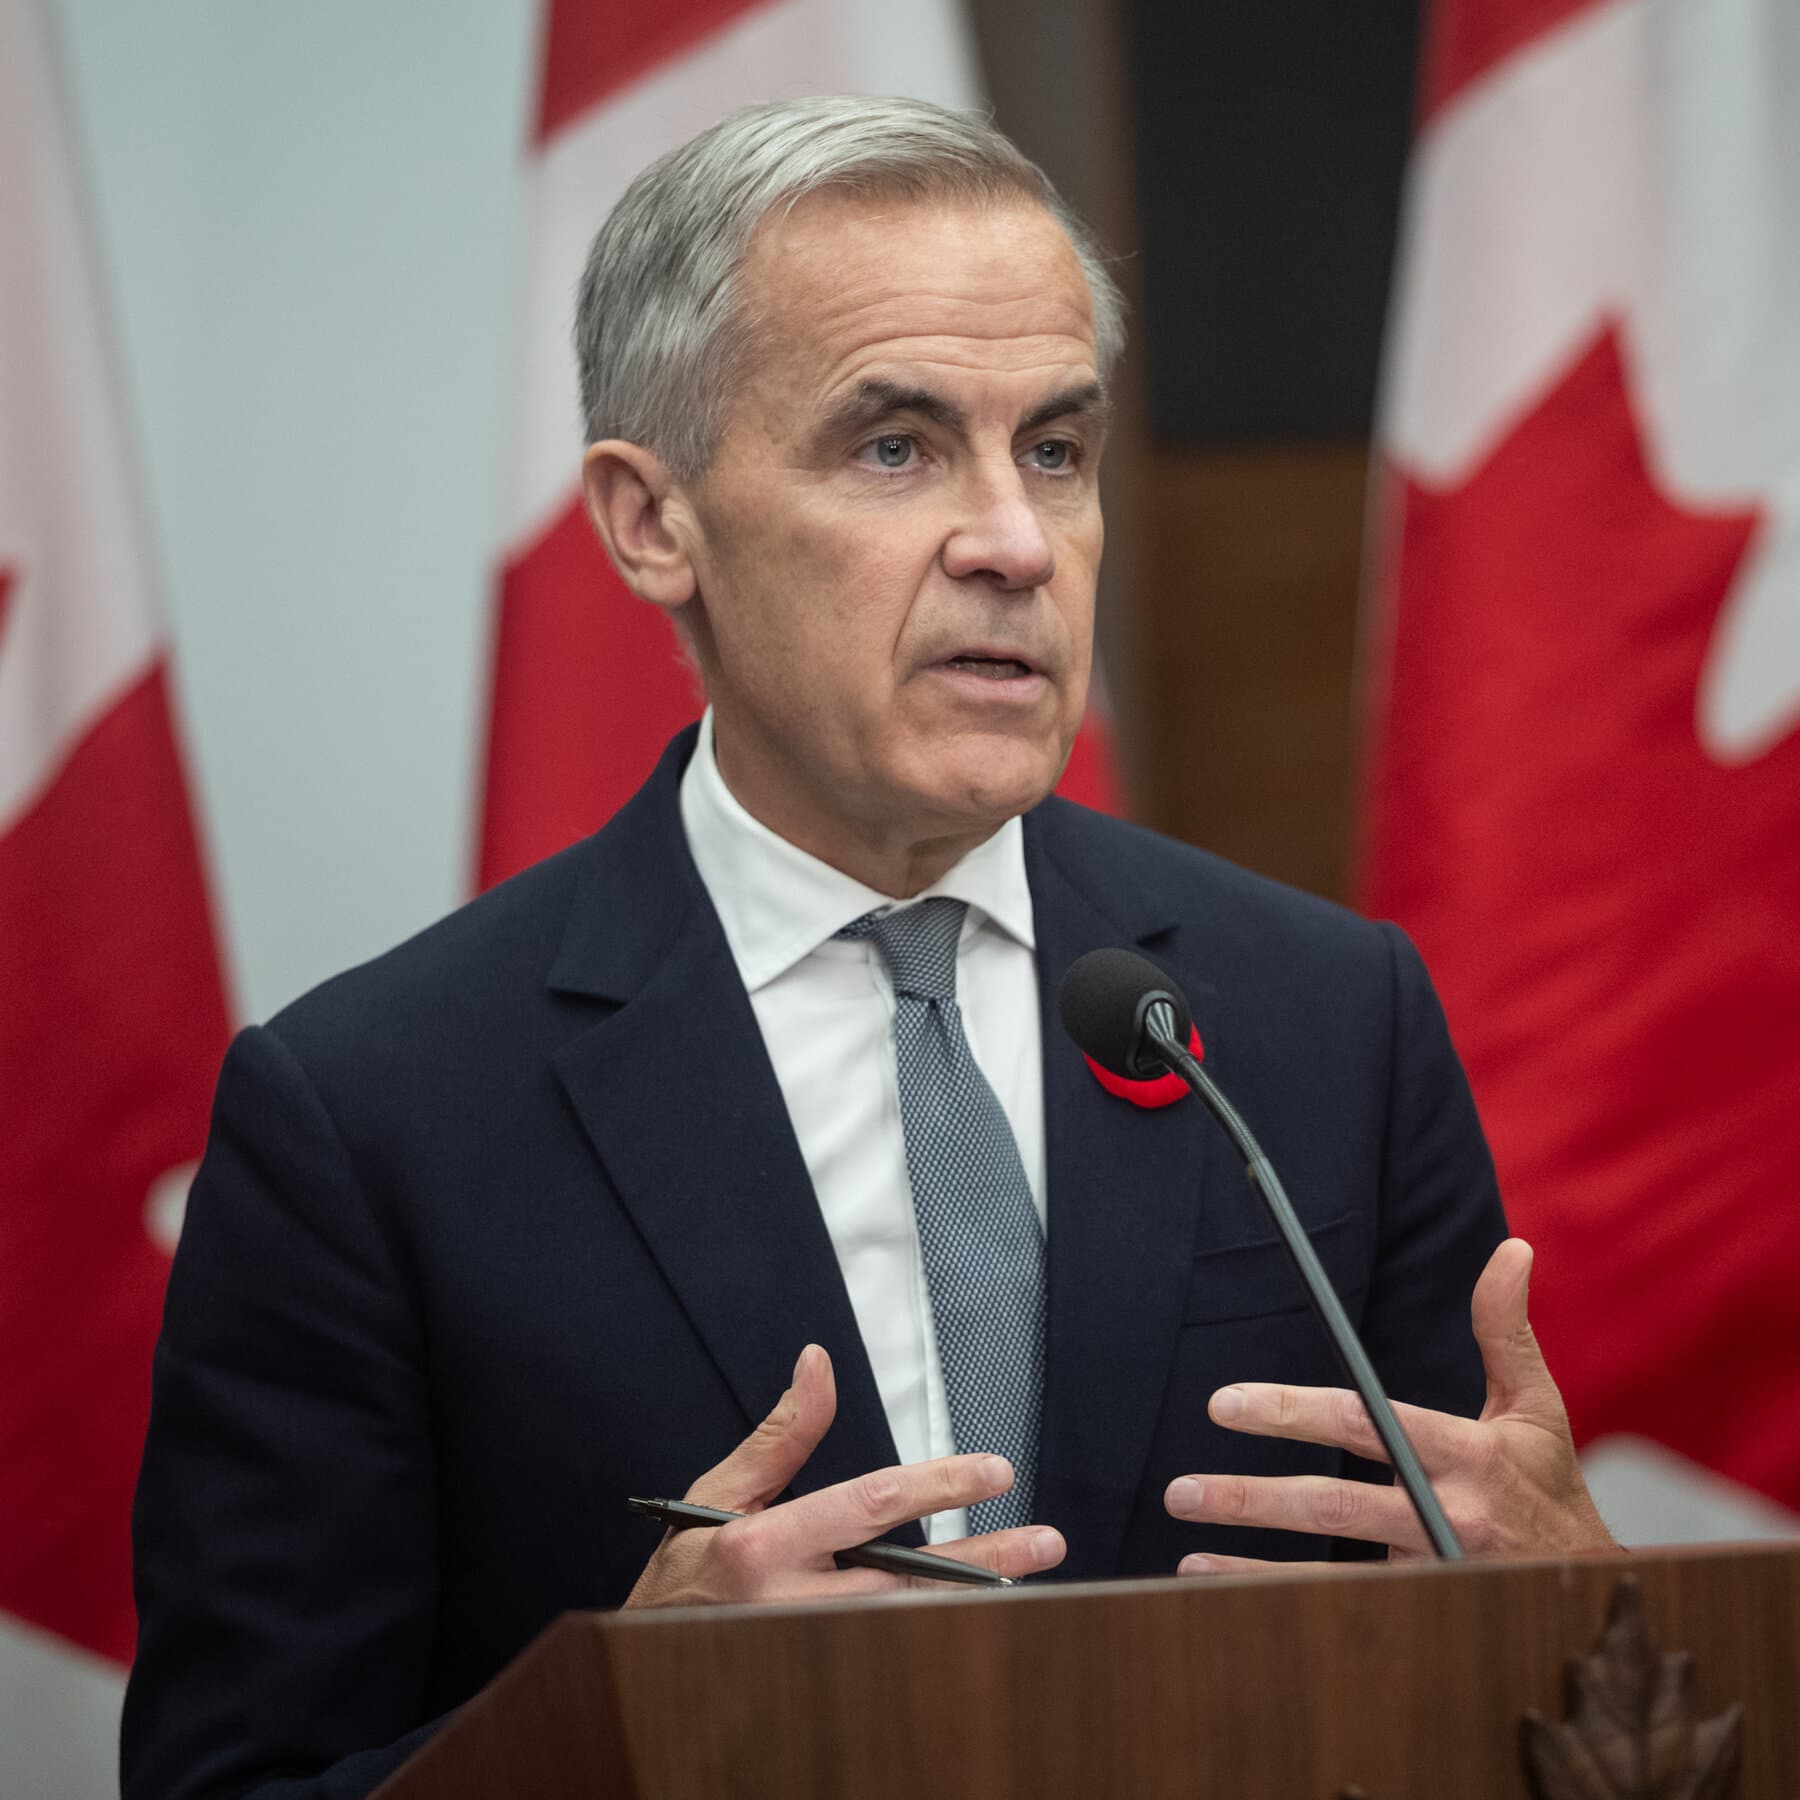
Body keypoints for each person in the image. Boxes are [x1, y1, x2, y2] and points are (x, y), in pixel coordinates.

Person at [122, 96, 1615, 1800]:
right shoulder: (372, 1119)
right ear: (649, 521)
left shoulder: (1324, 1020)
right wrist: (613, 1726)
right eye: (895, 447)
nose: (1014, 540)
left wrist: (1576, 1603)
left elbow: (1511, 1673)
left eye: (1054, 448)